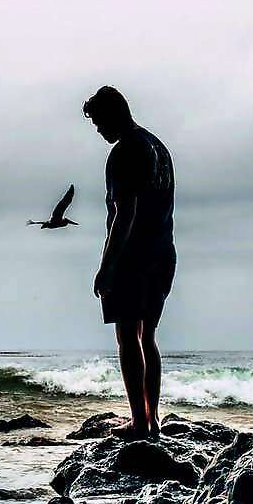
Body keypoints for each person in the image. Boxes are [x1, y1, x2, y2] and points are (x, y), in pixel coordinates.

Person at [84, 86, 175, 440]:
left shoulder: (123, 152)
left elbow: (125, 214)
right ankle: (153, 419)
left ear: (113, 114)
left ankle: (139, 422)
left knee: (126, 336)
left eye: (99, 123)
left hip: (132, 257)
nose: (99, 131)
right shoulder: (159, 148)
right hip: (163, 252)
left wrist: (107, 266)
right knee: (147, 336)